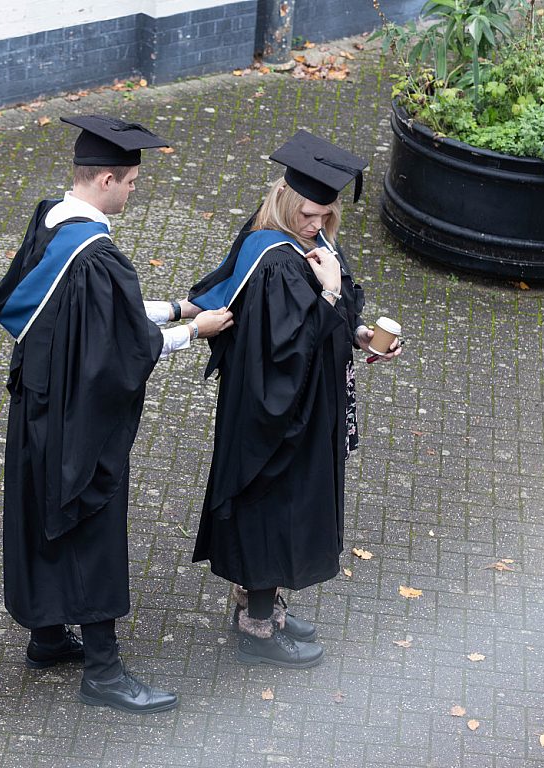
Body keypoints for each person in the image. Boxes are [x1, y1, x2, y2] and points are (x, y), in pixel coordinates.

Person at [0, 115, 232, 713]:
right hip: (79, 419)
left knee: (45, 511)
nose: (133, 192)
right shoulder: (98, 255)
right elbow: (118, 346)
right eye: (132, 183)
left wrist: (173, 304)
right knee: (88, 521)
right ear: (107, 179)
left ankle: (46, 635)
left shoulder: (51, 220)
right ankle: (103, 671)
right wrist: (191, 330)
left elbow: (93, 312)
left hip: (39, 407)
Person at [188, 130, 402, 668]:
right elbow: (289, 352)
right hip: (276, 414)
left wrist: (358, 336)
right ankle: (256, 630)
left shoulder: (310, 245)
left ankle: (268, 606)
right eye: (310, 214)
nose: (318, 224)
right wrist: (329, 295)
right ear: (285, 200)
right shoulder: (279, 260)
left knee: (283, 509)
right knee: (272, 508)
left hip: (301, 406)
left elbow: (323, 329)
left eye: (327, 216)